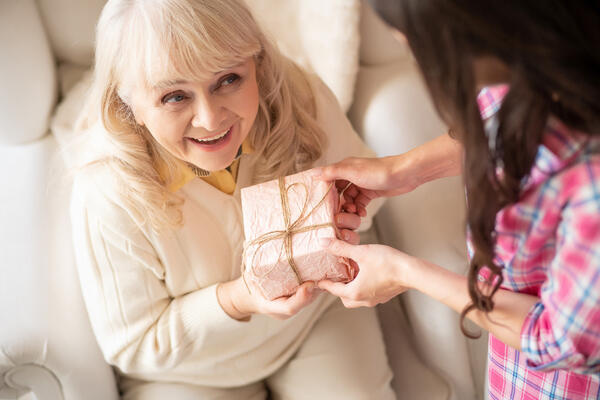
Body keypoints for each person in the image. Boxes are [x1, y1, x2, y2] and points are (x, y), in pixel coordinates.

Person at [69, 0, 395, 398]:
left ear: (256, 64)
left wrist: (336, 218)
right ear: (129, 105)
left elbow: (369, 197)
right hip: (191, 372)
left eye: (228, 80)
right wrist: (240, 299)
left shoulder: (298, 97)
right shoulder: (106, 190)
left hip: (313, 319)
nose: (210, 119)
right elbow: (133, 345)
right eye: (174, 97)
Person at [316, 1, 600, 399]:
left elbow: (554, 340)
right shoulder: (541, 55)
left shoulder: (591, 186)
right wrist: (402, 170)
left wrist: (403, 273)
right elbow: (501, 125)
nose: (417, 61)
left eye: (416, 45)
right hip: (515, 366)